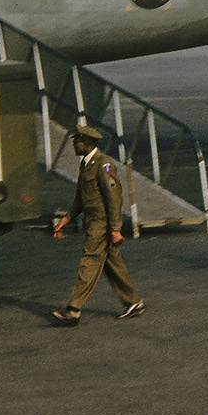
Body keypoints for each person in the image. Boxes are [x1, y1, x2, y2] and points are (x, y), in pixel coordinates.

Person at [50, 126, 144, 325]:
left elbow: (114, 196)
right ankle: (134, 301)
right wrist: (66, 220)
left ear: (87, 143)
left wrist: (116, 229)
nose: (74, 144)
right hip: (93, 223)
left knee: (89, 262)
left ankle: (73, 309)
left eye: (77, 141)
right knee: (112, 264)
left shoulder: (103, 165)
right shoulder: (86, 164)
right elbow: (80, 199)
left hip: (101, 225)